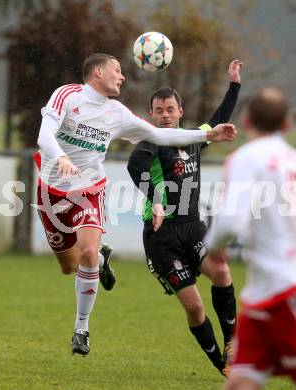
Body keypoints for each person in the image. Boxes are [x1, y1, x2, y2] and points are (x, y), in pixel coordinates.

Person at [36, 53, 237, 357]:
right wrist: (61, 158)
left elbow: (160, 134)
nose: (122, 76)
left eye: (171, 109)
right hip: (51, 192)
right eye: (117, 70)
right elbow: (43, 135)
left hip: (89, 189)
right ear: (99, 72)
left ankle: (81, 328)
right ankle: (100, 263)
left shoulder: (117, 113)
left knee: (88, 251)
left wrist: (208, 133)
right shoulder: (67, 96)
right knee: (70, 266)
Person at [127, 59, 242, 376]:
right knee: (194, 307)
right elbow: (135, 167)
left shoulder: (193, 137)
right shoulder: (150, 142)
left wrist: (234, 84)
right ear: (151, 114)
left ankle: (232, 344)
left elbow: (217, 122)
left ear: (180, 111)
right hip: (161, 236)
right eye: (159, 110)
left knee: (221, 271)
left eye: (170, 109)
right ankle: (221, 363)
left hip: (193, 228)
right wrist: (156, 200)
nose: (165, 115)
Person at [204, 88, 296, 389]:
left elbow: (230, 220)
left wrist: (213, 246)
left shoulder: (246, 158)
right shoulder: (292, 160)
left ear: (245, 120)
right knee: (239, 381)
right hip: (264, 296)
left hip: (285, 291)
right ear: (286, 125)